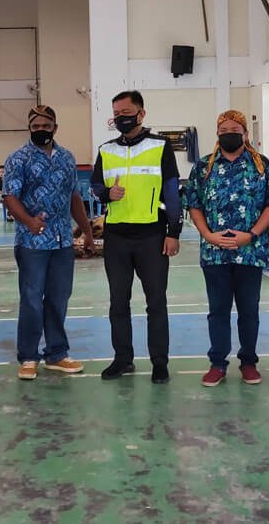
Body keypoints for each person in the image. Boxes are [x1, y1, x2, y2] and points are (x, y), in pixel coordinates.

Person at [90, 90, 182, 383]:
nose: (121, 118)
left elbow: (171, 190)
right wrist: (107, 193)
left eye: (126, 113)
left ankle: (160, 363)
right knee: (118, 302)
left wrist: (173, 231)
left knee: (156, 303)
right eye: (116, 114)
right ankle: (122, 359)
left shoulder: (160, 146)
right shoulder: (106, 150)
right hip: (116, 237)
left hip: (151, 236)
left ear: (141, 114)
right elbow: (95, 185)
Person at [185, 110, 269, 386]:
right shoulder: (203, 167)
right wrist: (208, 235)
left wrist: (251, 235)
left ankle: (249, 362)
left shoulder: (262, 166)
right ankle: (218, 363)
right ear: (217, 133)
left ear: (245, 133)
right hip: (215, 253)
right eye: (224, 130)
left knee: (249, 310)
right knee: (218, 310)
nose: (229, 134)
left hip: (250, 252)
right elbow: (194, 205)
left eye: (235, 130)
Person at [2, 105, 94, 380]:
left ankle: (56, 353)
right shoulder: (18, 159)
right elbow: (10, 197)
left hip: (63, 241)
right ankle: (28, 356)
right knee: (32, 299)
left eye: (45, 126)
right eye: (35, 126)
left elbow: (74, 197)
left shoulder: (67, 158)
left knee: (59, 298)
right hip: (32, 243)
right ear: (29, 128)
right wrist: (29, 222)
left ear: (55, 127)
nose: (40, 130)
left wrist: (87, 231)